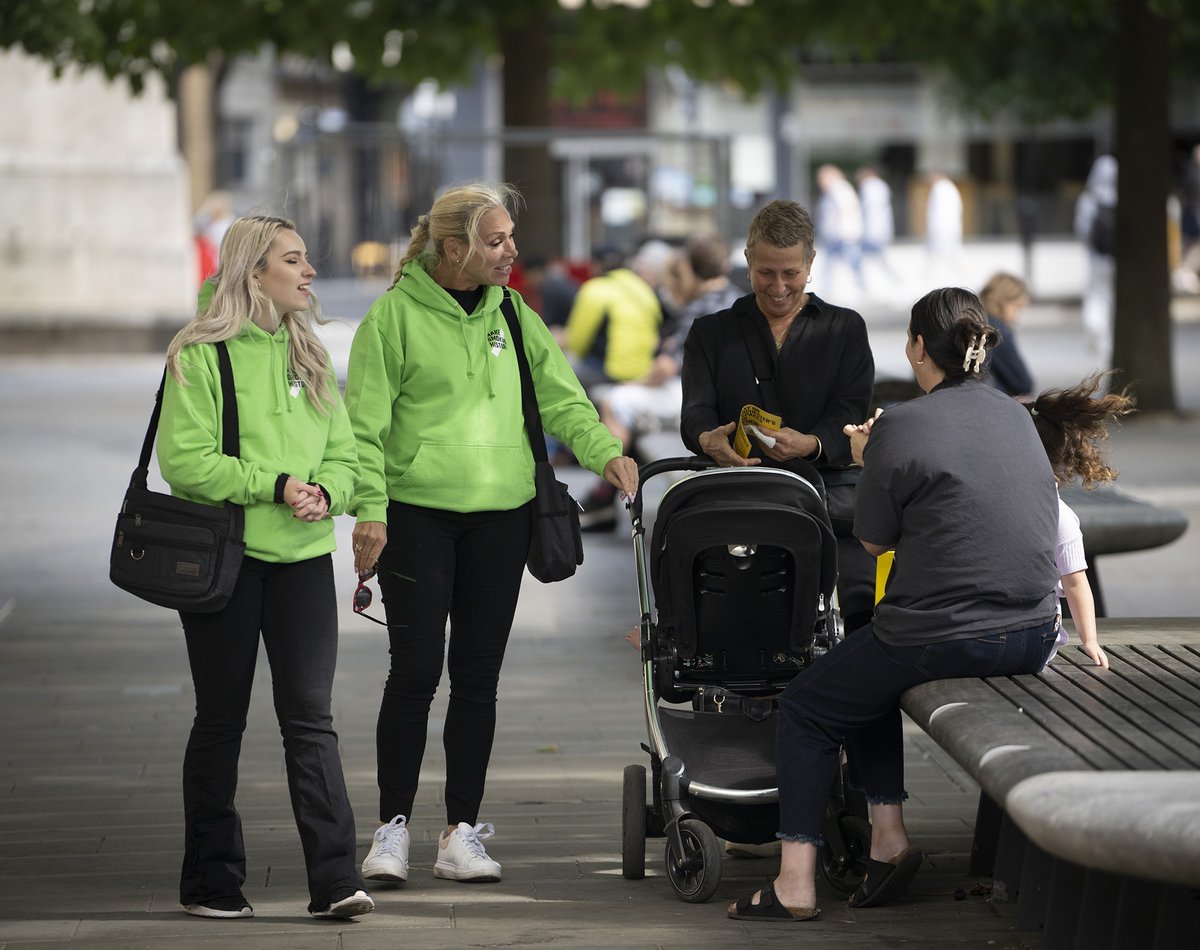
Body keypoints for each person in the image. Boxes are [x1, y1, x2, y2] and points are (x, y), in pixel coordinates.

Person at [727, 287, 1060, 923]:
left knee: (806, 703)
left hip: (946, 632)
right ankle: (886, 838)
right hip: (1035, 630)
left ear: (915, 347)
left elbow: (876, 540)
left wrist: (866, 455)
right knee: (861, 674)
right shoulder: (1017, 415)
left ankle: (794, 882)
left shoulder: (900, 424)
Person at [343, 182, 639, 886]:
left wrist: (605, 453)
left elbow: (563, 396)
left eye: (510, 237)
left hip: (502, 520)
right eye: (497, 240)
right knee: (414, 673)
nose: (512, 252)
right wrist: (370, 510)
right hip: (416, 517)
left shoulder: (515, 312)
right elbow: (363, 429)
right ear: (454, 249)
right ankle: (391, 830)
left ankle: (459, 833)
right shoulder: (391, 321)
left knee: (477, 678)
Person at [158, 215, 373, 920]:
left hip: (303, 565)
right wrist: (277, 484)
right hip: (226, 561)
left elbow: (345, 451)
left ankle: (336, 882)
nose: (309, 271)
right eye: (293, 260)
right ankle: (210, 884)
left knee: (311, 719)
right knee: (221, 720)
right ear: (254, 272)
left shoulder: (308, 352)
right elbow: (187, 463)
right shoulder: (199, 354)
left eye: (307, 259)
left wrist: (331, 493)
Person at [679, 199, 877, 630]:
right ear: (747, 260)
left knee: (863, 601)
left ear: (811, 263)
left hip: (828, 495)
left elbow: (850, 410)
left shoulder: (844, 328)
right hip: (738, 491)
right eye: (765, 272)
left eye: (791, 273)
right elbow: (695, 413)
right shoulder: (710, 334)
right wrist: (707, 439)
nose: (778, 286)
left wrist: (812, 443)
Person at [578, 234, 740, 530]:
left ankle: (604, 493)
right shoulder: (735, 297)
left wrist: (634, 385)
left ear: (690, 269)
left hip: (694, 395)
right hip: (720, 395)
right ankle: (610, 494)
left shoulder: (699, 307)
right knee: (629, 410)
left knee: (615, 401)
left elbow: (666, 366)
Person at [1022, 372, 1136, 671]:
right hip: (1035, 637)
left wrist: (1090, 640)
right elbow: (1075, 583)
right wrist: (1090, 640)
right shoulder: (1059, 515)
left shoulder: (1052, 516)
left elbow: (1075, 584)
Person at [563, 242, 667, 398]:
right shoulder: (644, 289)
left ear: (596, 265)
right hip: (644, 371)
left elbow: (577, 343)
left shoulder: (594, 289)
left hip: (609, 373)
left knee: (563, 366)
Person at [1074, 154, 1117, 365]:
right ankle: (1107, 338)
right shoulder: (1120, 197)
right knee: (1111, 298)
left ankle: (1095, 332)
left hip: (1097, 257)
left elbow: (1082, 229)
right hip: (1115, 258)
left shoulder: (1089, 198)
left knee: (1096, 295)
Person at [979, 272, 1035, 397]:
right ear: (1003, 302)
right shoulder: (997, 331)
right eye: (1017, 308)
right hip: (993, 400)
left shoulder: (974, 321)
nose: (1017, 319)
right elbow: (1023, 383)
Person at [815, 164, 865, 296]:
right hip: (837, 235)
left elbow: (847, 209)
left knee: (853, 263)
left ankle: (862, 289)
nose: (820, 182)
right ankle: (826, 290)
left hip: (843, 235)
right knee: (830, 264)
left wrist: (842, 229)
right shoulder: (834, 189)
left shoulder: (839, 188)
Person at [856, 165, 898, 289]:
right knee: (878, 258)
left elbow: (869, 211)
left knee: (872, 259)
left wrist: (865, 231)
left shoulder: (869, 187)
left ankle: (866, 285)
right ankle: (892, 281)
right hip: (880, 229)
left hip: (873, 230)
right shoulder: (880, 186)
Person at [924, 172, 965, 285]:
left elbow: (935, 212)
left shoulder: (939, 188)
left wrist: (931, 228)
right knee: (952, 254)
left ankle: (939, 281)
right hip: (952, 228)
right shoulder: (951, 188)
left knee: (941, 255)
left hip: (941, 228)